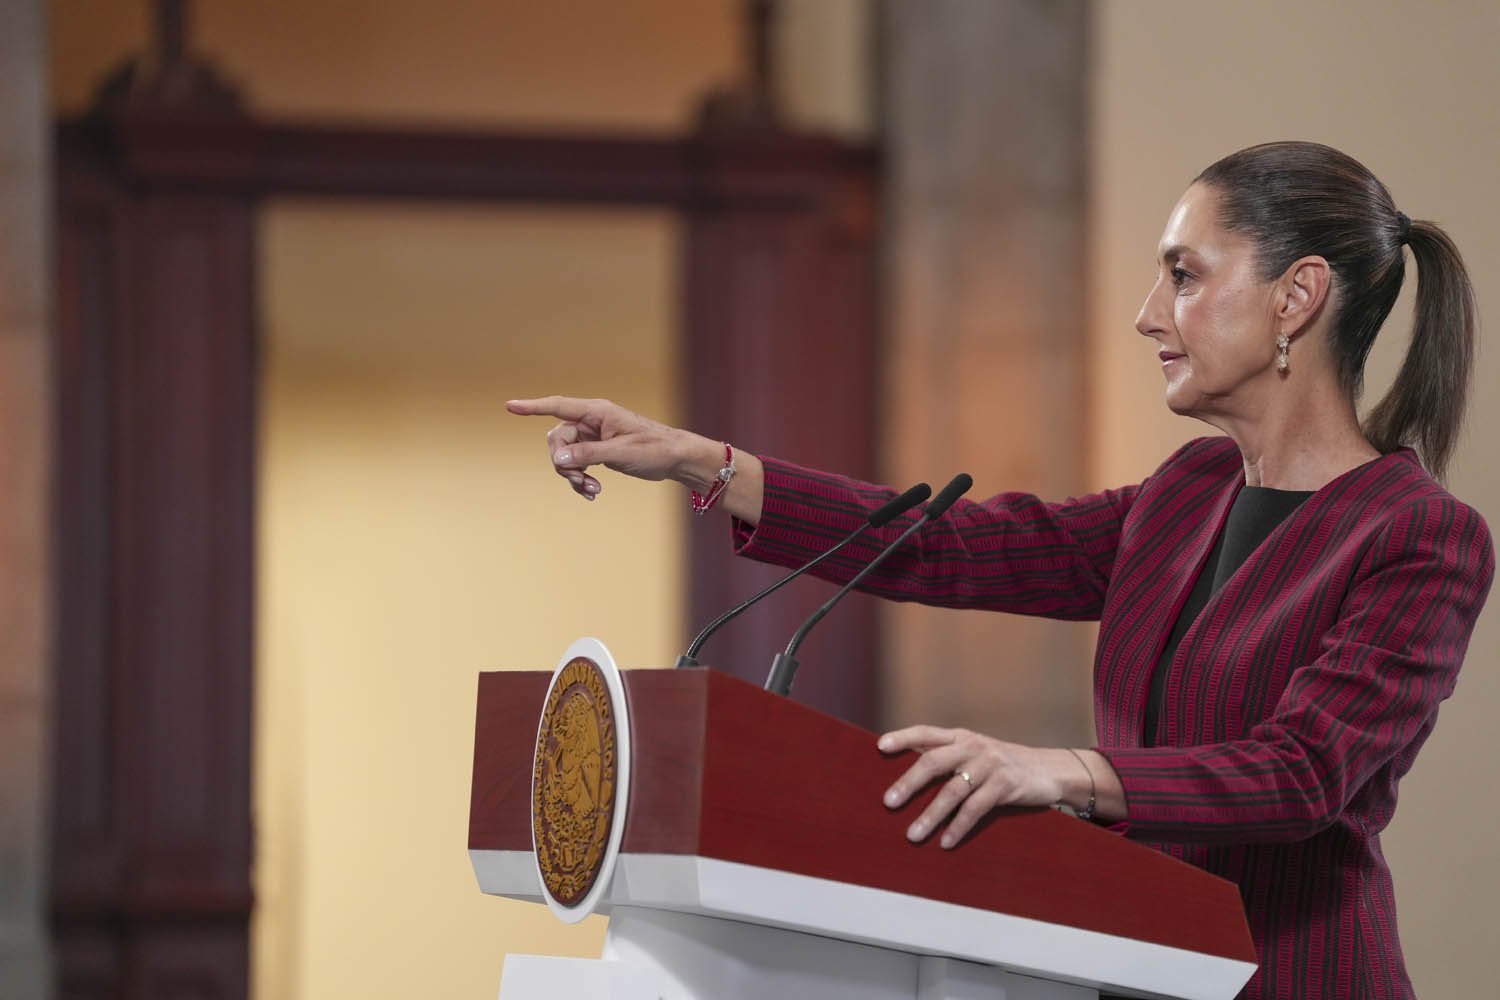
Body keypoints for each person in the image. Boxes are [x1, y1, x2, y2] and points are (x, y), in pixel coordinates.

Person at [507, 141, 1493, 1000]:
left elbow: (1303, 772)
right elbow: (948, 543)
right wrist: (703, 463)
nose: (1149, 314)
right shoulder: (1187, 489)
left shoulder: (1420, 536)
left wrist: (1057, 772)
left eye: (1184, 275)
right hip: (1126, 971)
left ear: (1298, 295)